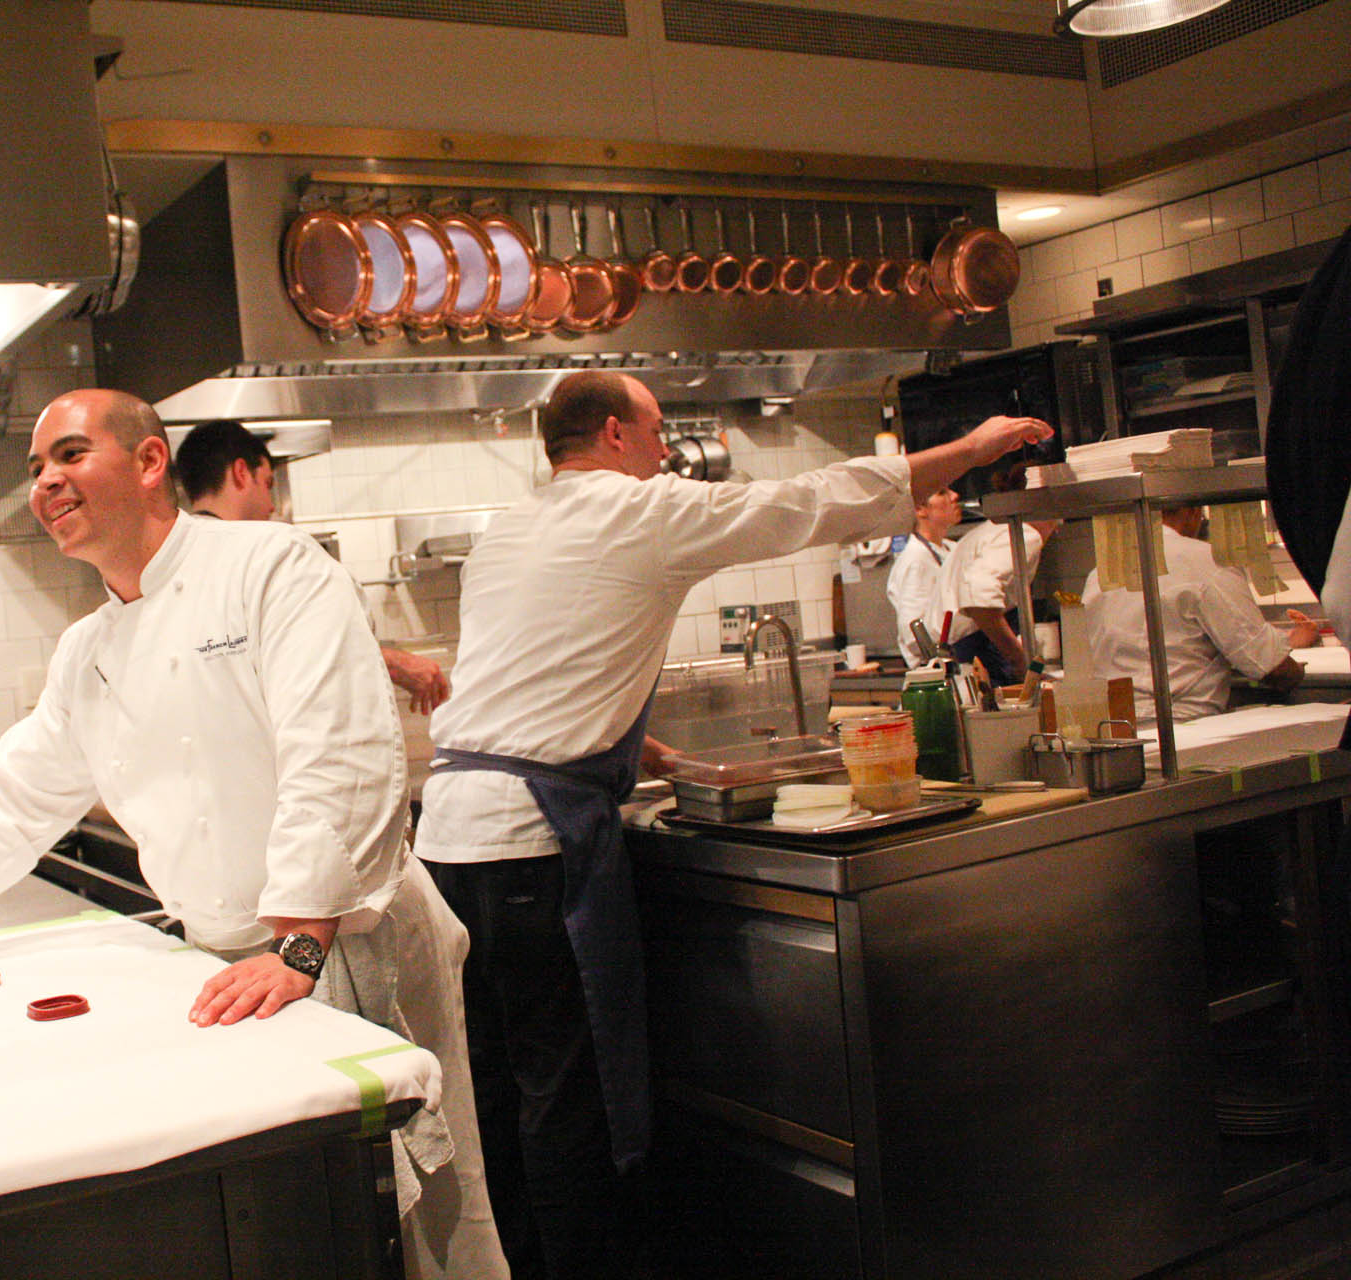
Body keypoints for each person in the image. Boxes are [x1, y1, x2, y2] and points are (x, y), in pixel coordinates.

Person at [0, 389, 508, 1280]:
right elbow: (16, 790)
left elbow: (339, 752)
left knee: (419, 1223)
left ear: (150, 462)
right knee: (307, 1229)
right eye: (36, 469)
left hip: (345, 939)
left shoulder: (271, 567)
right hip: (229, 963)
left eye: (70, 455)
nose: (47, 482)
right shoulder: (87, 649)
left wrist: (301, 941)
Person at [411, 369, 1051, 1280]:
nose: (669, 449)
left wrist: (653, 756)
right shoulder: (640, 511)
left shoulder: (512, 529)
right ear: (615, 435)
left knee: (502, 1098)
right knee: (565, 1097)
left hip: (450, 842)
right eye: (658, 428)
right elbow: (805, 503)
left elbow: (537, 682)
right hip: (530, 848)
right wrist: (970, 450)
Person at [173, 417, 452, 715]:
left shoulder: (166, 565)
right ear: (242, 473)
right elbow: (309, 657)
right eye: (268, 484)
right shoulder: (274, 556)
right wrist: (393, 664)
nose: (271, 505)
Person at [1080, 502, 1320, 721]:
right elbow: (1270, 667)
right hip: (1180, 726)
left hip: (1113, 728)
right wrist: (1297, 673)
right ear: (1192, 512)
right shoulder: (1206, 560)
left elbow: (1155, 641)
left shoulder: (1101, 571)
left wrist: (1287, 641)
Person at [930, 513, 1060, 685]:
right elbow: (979, 601)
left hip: (961, 664)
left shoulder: (988, 531)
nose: (1056, 530)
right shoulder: (1025, 535)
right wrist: (1021, 662)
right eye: (1056, 523)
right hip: (980, 664)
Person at [887, 484, 962, 668]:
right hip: (935, 674)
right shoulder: (917, 559)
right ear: (920, 509)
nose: (954, 496)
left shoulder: (951, 548)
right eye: (941, 492)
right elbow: (915, 636)